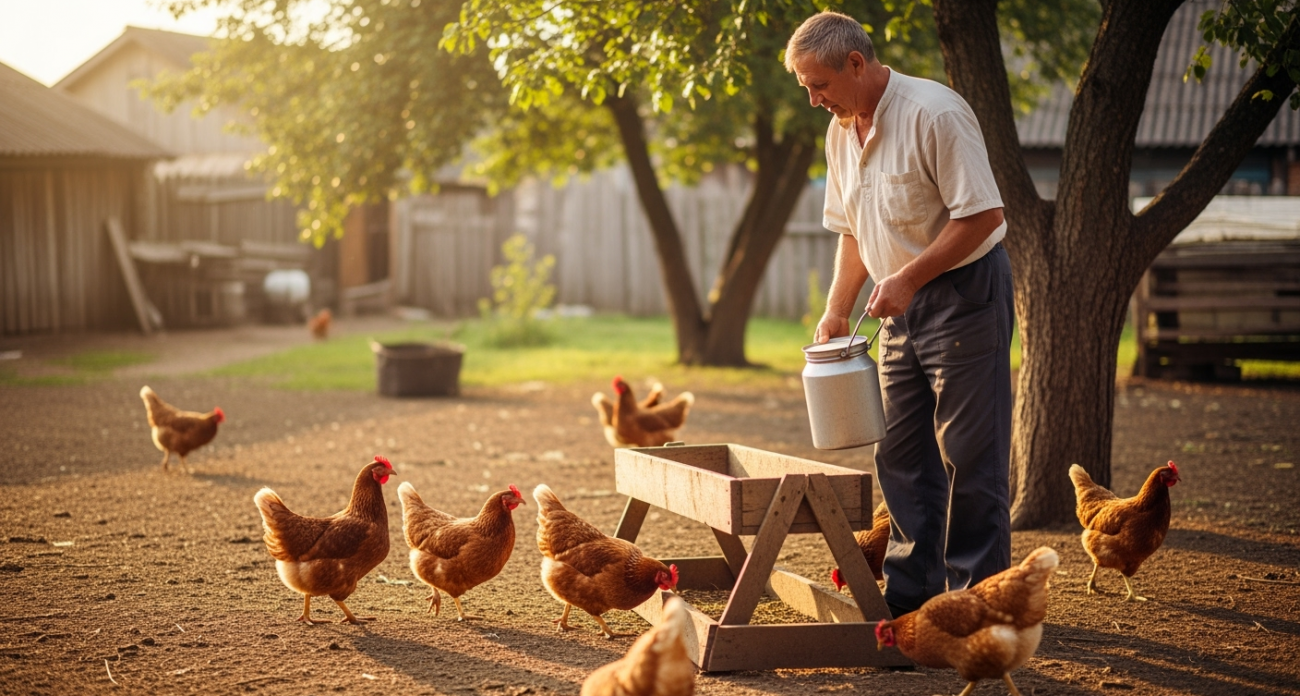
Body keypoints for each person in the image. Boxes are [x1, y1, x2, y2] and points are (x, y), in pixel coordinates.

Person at [785, 10, 1014, 617]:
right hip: (897, 305)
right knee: (901, 454)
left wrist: (910, 277)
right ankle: (914, 604)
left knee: (969, 453)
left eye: (819, 84)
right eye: (804, 87)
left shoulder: (934, 113)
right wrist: (838, 309)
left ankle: (977, 609)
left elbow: (983, 216)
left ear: (856, 64)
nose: (812, 99)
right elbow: (853, 231)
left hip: (964, 295)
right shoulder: (841, 131)